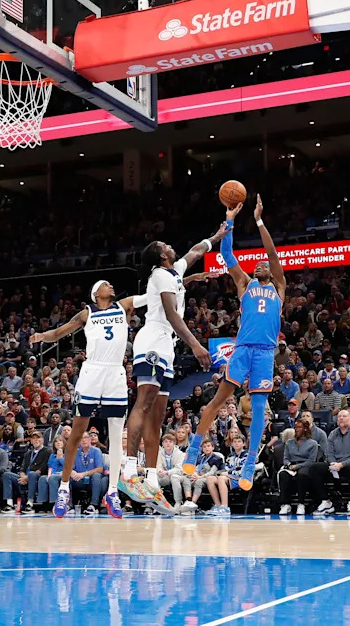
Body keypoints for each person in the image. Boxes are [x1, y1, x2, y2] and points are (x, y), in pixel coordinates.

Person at [123, 221, 227, 510]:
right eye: (164, 246)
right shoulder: (159, 275)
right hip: (153, 341)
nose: (170, 246)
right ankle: (130, 468)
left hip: (166, 346)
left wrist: (217, 236)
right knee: (143, 404)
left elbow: (195, 251)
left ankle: (153, 477)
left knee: (158, 414)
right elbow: (171, 314)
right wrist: (195, 344)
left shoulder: (173, 271)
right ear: (160, 256)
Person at [184, 197, 283, 495]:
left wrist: (260, 220)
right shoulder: (244, 284)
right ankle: (193, 448)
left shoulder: (278, 286)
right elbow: (227, 254)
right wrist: (229, 221)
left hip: (265, 353)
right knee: (217, 401)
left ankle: (251, 461)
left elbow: (272, 252)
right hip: (242, 350)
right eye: (258, 264)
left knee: (259, 407)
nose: (262, 264)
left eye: (265, 263)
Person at [30, 280, 145, 519]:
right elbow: (59, 332)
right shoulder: (87, 313)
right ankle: (63, 489)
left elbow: (153, 294)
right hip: (92, 372)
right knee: (77, 432)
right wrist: (42, 335)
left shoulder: (122, 306)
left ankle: (112, 491)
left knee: (116, 435)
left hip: (115, 372)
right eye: (105, 284)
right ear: (95, 293)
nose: (111, 285)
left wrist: (182, 280)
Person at [309, 410, 350, 516]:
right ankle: (326, 501)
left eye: (344, 416)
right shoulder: (332, 434)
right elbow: (329, 453)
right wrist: (333, 463)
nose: (341, 418)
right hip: (335, 464)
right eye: (339, 416)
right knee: (315, 468)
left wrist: (342, 465)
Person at [277, 419, 319, 516]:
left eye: (299, 427)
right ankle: (285, 504)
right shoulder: (289, 443)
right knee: (283, 474)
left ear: (305, 429)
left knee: (302, 474)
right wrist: (288, 465)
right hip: (291, 465)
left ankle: (301, 503)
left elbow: (311, 461)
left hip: (305, 465)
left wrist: (297, 466)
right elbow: (286, 458)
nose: (296, 430)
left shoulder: (313, 443)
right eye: (295, 428)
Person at [2, 431, 51, 514]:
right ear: (31, 441)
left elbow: (42, 469)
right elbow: (22, 468)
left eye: (38, 438)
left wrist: (27, 477)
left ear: (42, 440)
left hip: (38, 478)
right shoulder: (28, 453)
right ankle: (9, 504)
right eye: (33, 438)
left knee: (32, 474)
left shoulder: (47, 451)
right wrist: (23, 476)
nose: (35, 440)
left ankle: (30, 503)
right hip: (25, 477)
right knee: (6, 474)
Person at [207, 435, 247, 516]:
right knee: (210, 478)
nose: (236, 444)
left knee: (221, 478)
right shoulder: (230, 456)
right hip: (230, 477)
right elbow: (227, 468)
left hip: (241, 478)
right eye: (234, 442)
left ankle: (225, 507)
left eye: (239, 442)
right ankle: (218, 505)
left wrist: (228, 473)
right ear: (232, 444)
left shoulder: (247, 455)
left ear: (244, 444)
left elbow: (243, 471)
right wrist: (225, 473)